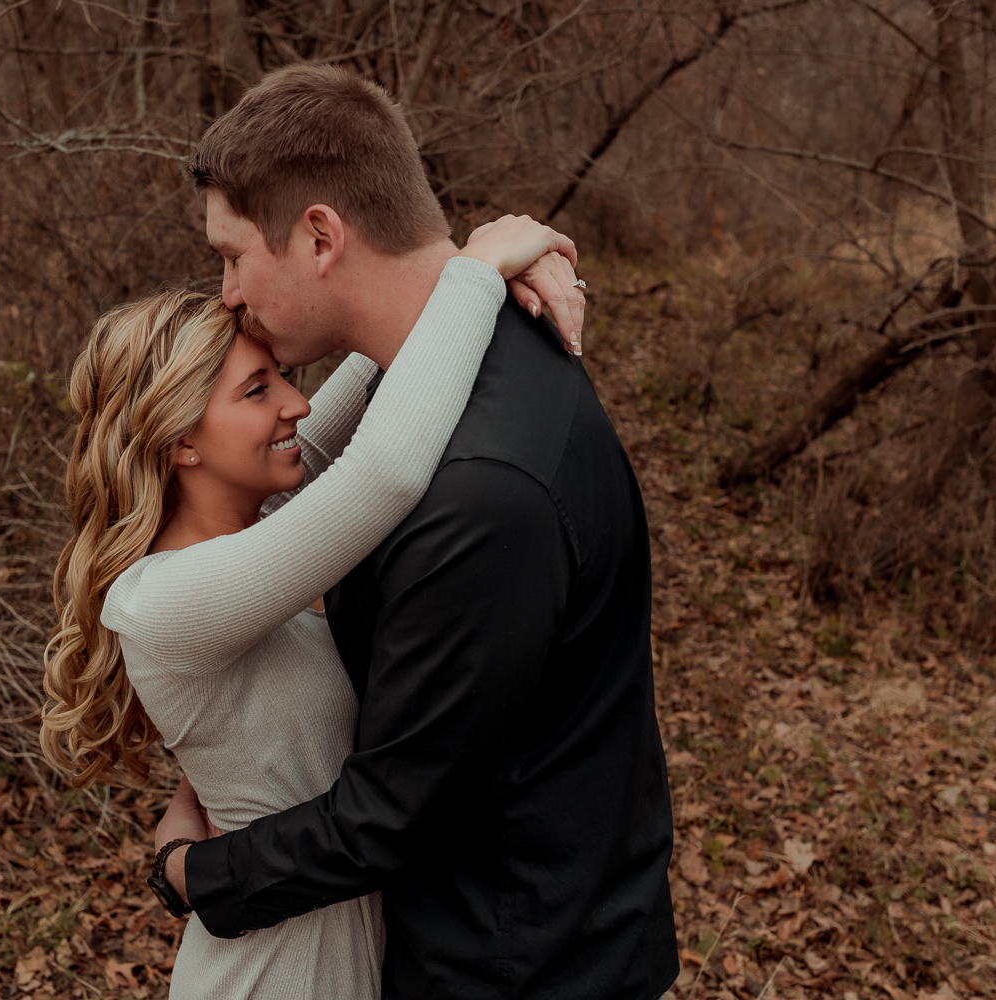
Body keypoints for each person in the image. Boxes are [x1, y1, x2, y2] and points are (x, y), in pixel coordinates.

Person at [153, 64, 679, 1000]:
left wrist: (192, 875)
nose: (228, 292)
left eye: (234, 256)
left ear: (320, 235)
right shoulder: (471, 360)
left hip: (513, 967)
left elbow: (389, 815)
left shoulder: (474, 492)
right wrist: (478, 266)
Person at [41, 207, 584, 999]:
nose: (295, 406)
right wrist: (472, 271)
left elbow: (379, 360)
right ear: (180, 441)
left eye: (283, 379)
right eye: (259, 390)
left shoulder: (249, 533)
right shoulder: (165, 599)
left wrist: (477, 258)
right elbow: (384, 472)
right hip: (267, 979)